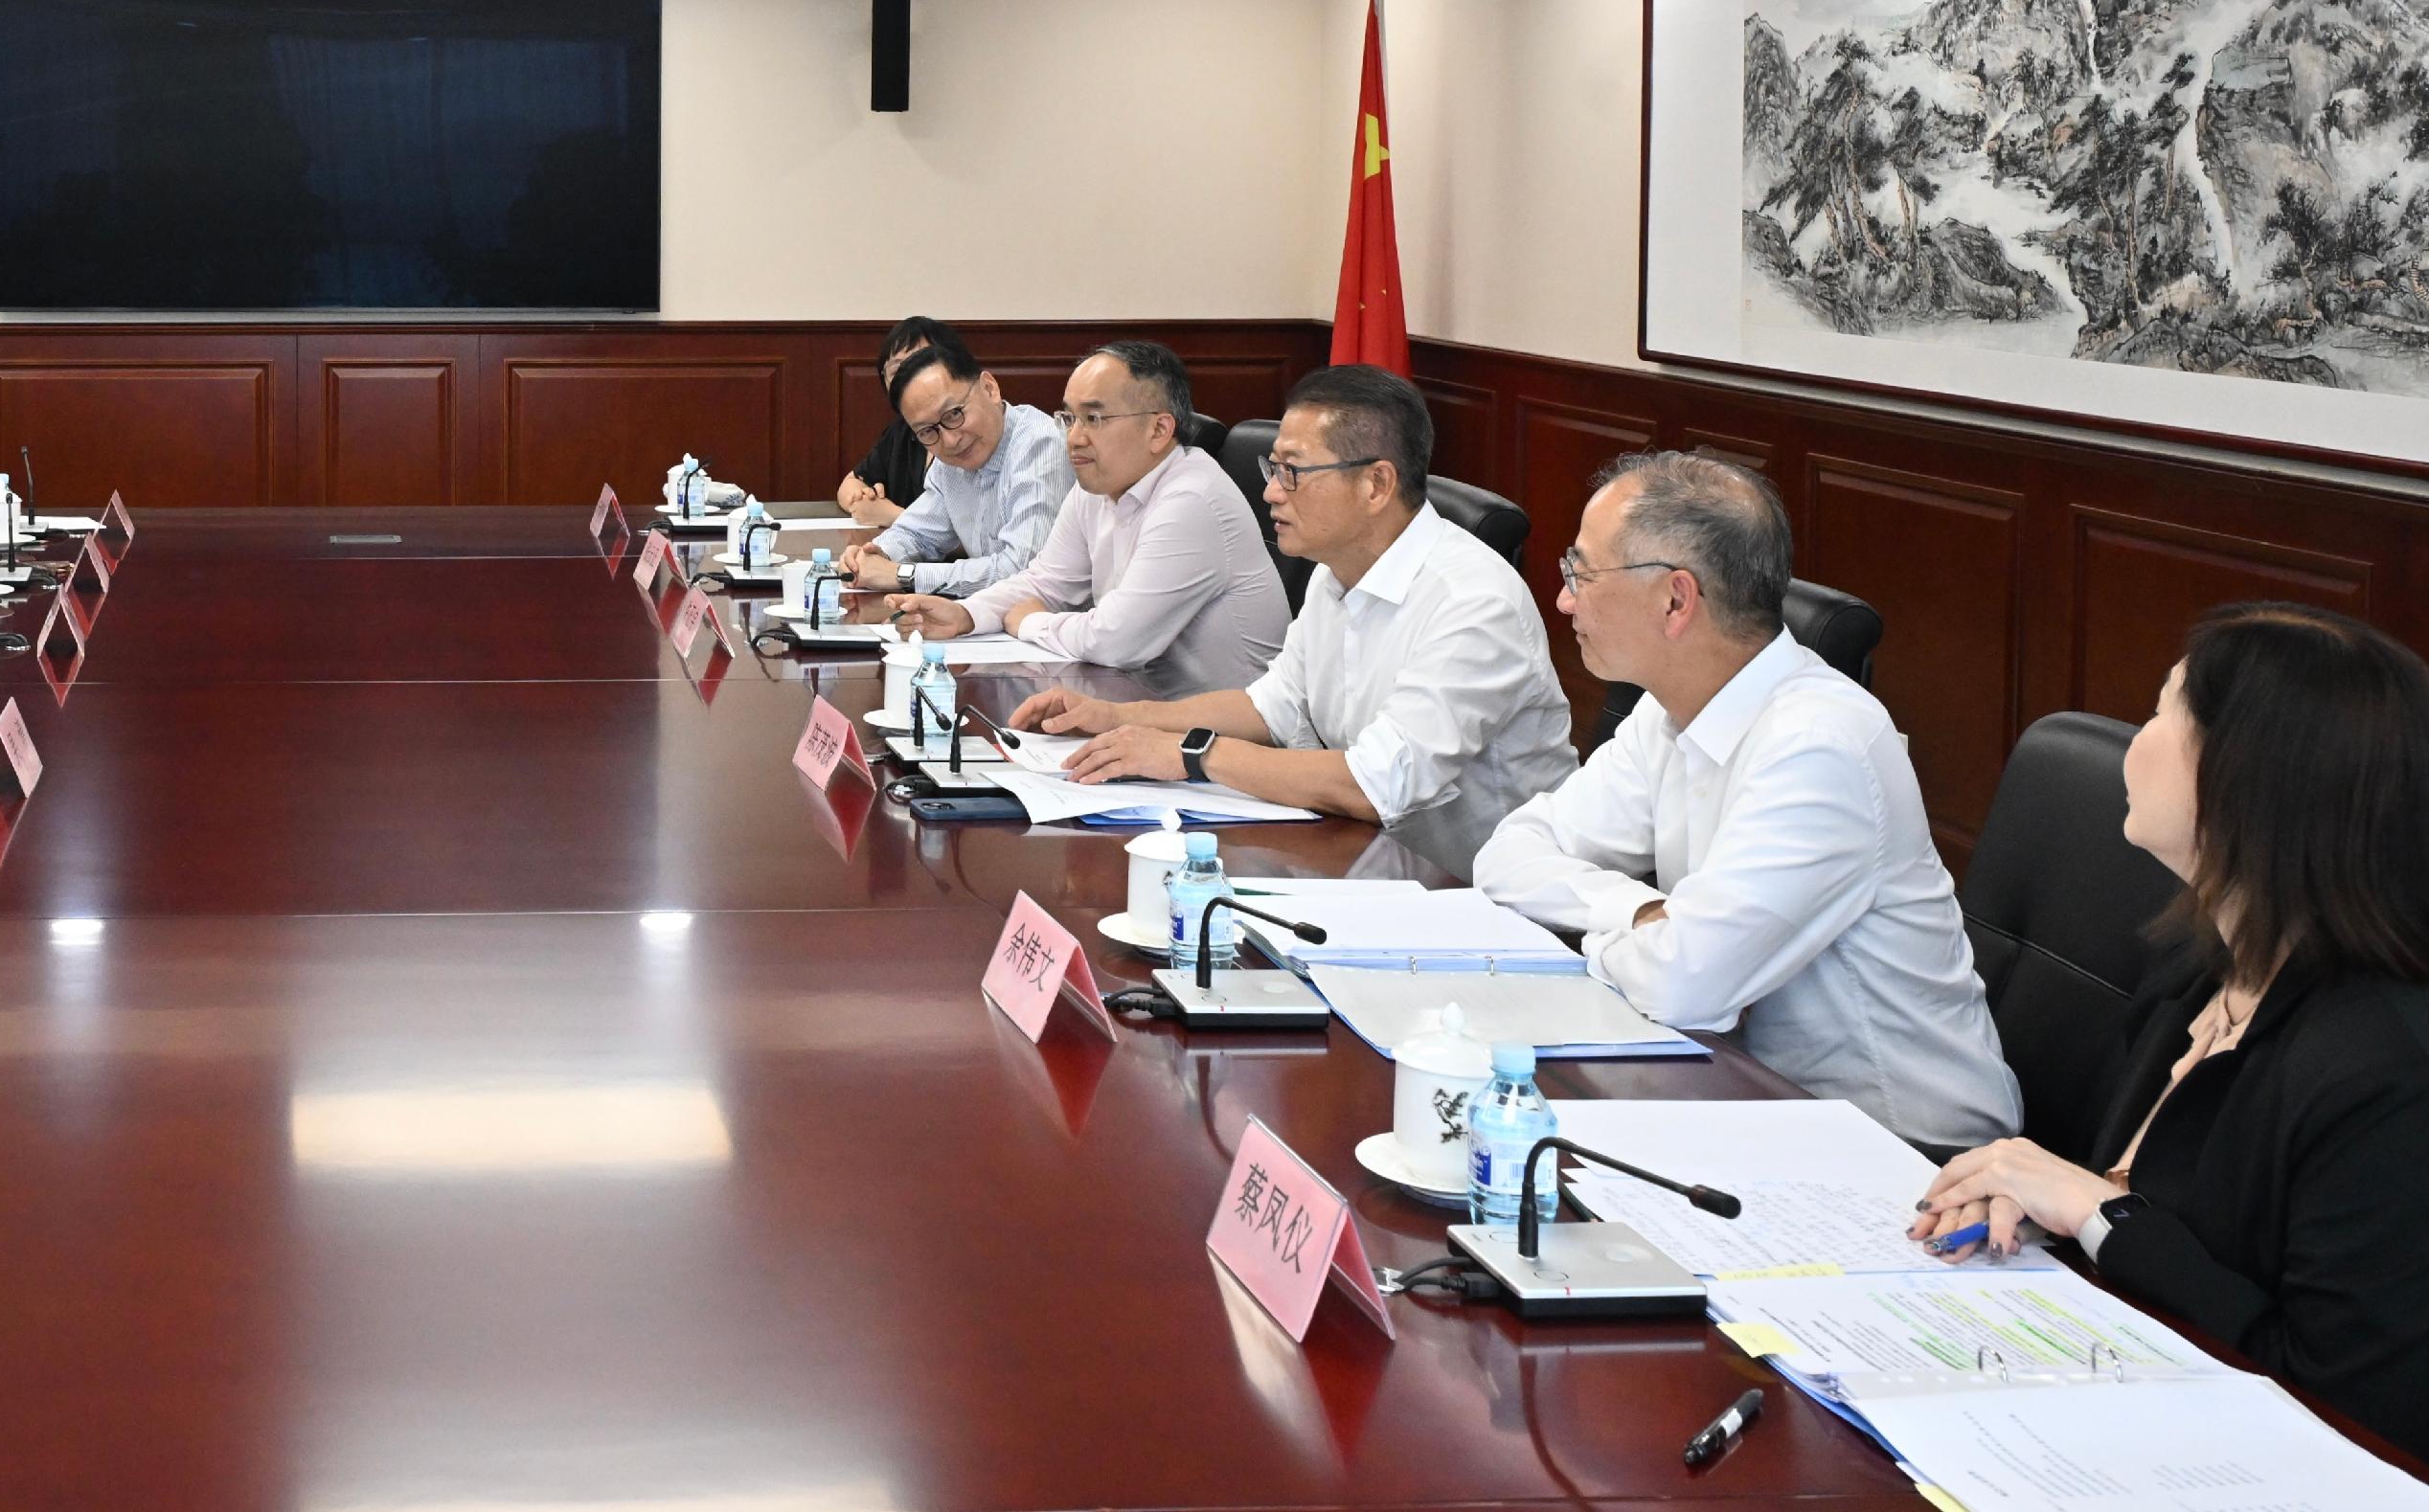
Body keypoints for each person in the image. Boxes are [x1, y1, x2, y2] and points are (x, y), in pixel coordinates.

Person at [1909, 606, 2429, 1456]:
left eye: (2162, 712)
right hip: (2118, 1392)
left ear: (2244, 779)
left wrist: (2095, 1211)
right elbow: (2150, 1203)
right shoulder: (2201, 969)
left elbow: (2351, 1404)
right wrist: (2047, 1202)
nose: (2136, 742)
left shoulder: (2386, 1073)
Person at [1474, 450, 2015, 1146]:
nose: (1564, 598)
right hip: (1742, 1094)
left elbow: (1682, 986)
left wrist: (1632, 939)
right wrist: (1644, 912)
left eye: (1581, 571)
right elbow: (1510, 856)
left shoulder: (1820, 746)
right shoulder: (1668, 710)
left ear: (1676, 599)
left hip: (1904, 1151)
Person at [1010, 365, 1574, 878]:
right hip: (1364, 865)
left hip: (1480, 902)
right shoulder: (1337, 574)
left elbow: (1376, 784)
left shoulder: (1473, 601)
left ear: (1376, 484)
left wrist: (1191, 755)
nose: (1270, 492)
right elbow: (1271, 706)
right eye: (1273, 467)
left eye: (1293, 473)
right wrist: (1118, 716)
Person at [887, 342, 1283, 693]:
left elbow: (1116, 640)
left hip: (1226, 744)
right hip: (1139, 708)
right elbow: (1045, 581)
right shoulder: (1098, 486)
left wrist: (1028, 623)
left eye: (1094, 419)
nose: (1074, 438)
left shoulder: (1191, 499)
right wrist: (965, 615)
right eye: (1070, 418)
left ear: (1159, 429)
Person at [833, 331, 1067, 601]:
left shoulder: (1041, 445)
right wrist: (872, 555)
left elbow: (1020, 572)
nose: (951, 439)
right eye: (928, 431)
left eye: (954, 414)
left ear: (990, 388)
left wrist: (902, 575)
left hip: (1056, 628)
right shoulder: (951, 463)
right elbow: (917, 534)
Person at [832, 316, 946, 527]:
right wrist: (864, 499)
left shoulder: (963, 432)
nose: (907, 376)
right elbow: (850, 484)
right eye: (896, 370)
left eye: (918, 363)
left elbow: (970, 536)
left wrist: (892, 515)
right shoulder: (901, 431)